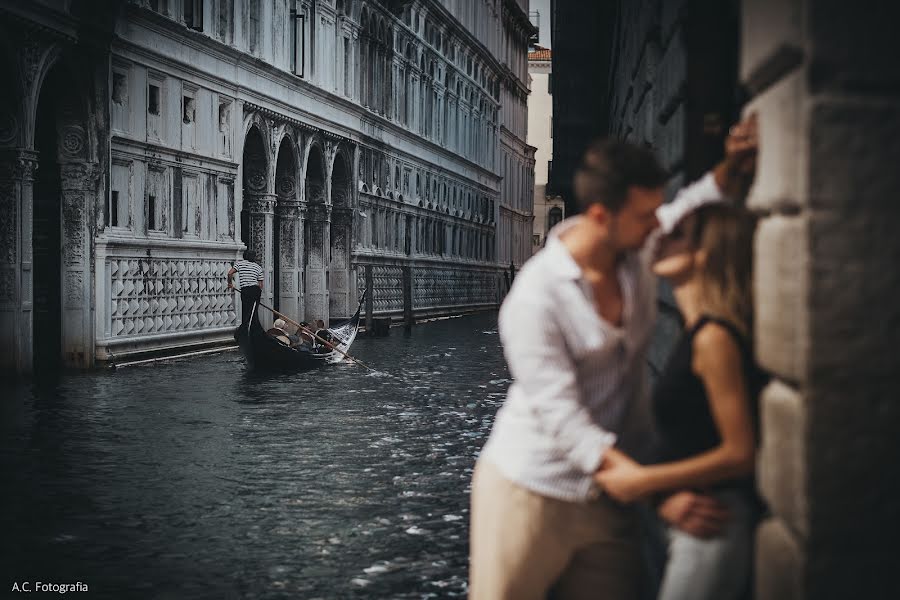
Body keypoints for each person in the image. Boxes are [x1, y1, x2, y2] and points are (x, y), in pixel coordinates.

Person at [468, 117, 758, 600]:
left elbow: (693, 204)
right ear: (602, 216)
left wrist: (734, 164)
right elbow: (565, 420)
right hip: (529, 490)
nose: (657, 226)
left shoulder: (637, 251)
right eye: (647, 216)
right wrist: (655, 492)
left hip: (608, 497)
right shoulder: (534, 298)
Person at [596, 202, 766, 600]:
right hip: (695, 519)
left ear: (703, 253)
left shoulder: (713, 339)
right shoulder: (698, 332)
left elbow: (741, 453)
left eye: (676, 236)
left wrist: (642, 482)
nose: (660, 240)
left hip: (713, 521)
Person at [227, 250, 263, 328]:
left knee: (246, 310)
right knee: (253, 312)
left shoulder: (240, 264)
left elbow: (230, 273)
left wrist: (230, 283)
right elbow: (260, 285)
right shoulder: (258, 267)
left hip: (245, 290)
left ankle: (247, 329)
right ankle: (251, 330)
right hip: (255, 290)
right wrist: (257, 296)